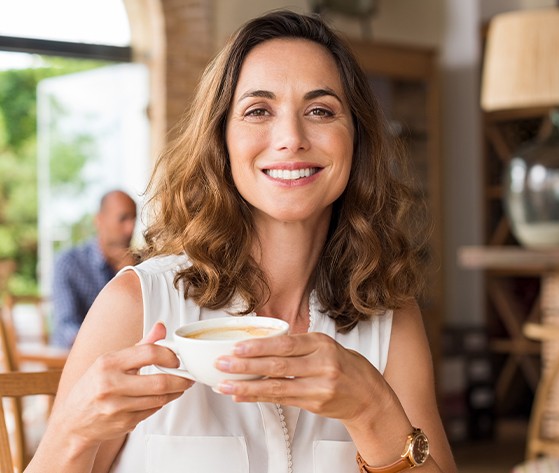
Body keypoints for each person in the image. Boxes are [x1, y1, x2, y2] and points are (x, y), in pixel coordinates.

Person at [27, 10, 457, 473]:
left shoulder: (389, 317)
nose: (291, 139)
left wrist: (372, 410)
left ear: (356, 139)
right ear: (221, 139)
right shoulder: (137, 303)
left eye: (320, 110)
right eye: (258, 111)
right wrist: (74, 431)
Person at [50, 189, 137, 348]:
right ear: (99, 220)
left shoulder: (141, 266)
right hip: (77, 361)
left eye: (133, 219)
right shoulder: (69, 263)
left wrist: (131, 276)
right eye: (123, 218)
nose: (130, 228)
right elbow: (66, 327)